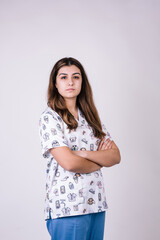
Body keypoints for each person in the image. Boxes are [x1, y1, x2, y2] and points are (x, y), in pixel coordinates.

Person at [38, 57, 121, 240]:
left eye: (76, 77)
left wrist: (82, 153)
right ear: (55, 84)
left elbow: (115, 156)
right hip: (67, 206)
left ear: (82, 82)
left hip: (96, 204)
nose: (70, 82)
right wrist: (99, 159)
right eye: (63, 77)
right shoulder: (50, 118)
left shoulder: (91, 119)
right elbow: (69, 163)